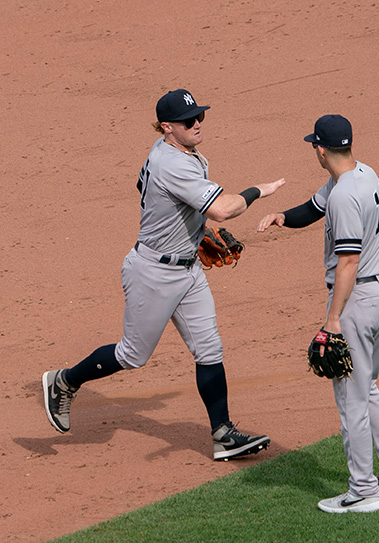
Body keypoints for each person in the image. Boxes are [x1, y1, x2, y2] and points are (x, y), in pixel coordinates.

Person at [42, 89, 286, 460]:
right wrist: (258, 191)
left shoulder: (180, 154)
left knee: (209, 349)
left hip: (187, 269)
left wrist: (196, 230)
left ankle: (222, 434)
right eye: (190, 121)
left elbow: (161, 198)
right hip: (154, 273)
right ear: (167, 127)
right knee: (132, 355)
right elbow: (221, 209)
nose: (198, 124)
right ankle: (64, 381)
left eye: (200, 116)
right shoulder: (174, 163)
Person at [257, 114, 379, 513]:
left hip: (357, 301)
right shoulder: (363, 174)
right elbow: (314, 207)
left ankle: (363, 491)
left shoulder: (345, 196)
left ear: (320, 150)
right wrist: (283, 218)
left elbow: (347, 263)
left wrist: (332, 321)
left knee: (351, 400)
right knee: (367, 386)